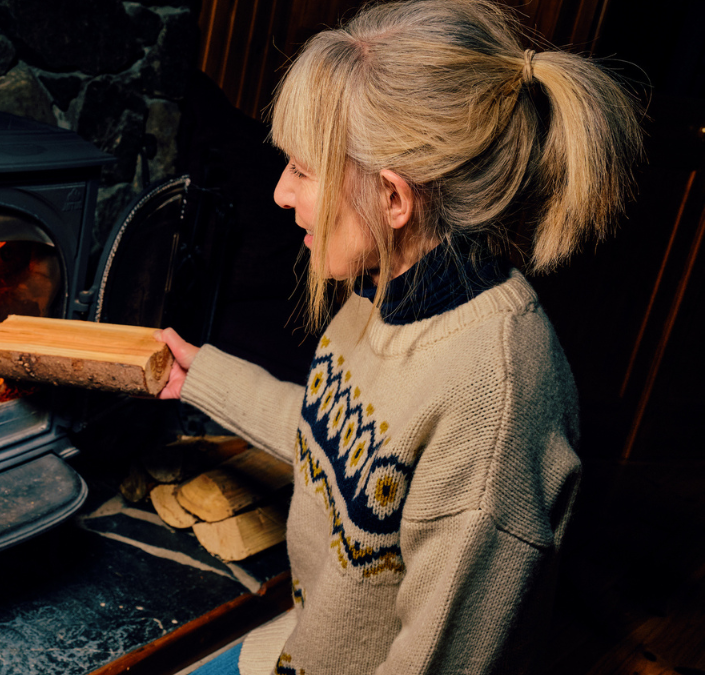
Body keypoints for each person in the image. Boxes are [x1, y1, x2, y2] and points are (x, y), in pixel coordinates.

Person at [155, 0, 643, 673]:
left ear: (393, 198)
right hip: (300, 647)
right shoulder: (380, 288)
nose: (278, 192)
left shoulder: (493, 407)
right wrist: (200, 375)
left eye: (302, 169)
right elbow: (341, 448)